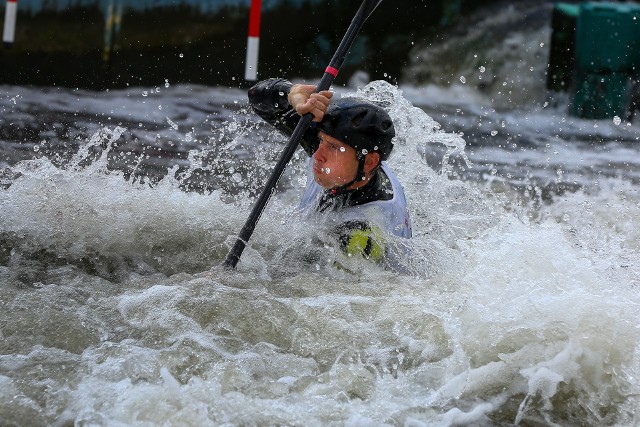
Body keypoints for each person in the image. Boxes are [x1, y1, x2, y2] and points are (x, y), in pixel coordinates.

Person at [248, 78, 412, 264]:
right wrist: (292, 94)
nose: (317, 155)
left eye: (333, 147)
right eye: (321, 141)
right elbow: (257, 97)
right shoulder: (350, 162)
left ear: (369, 162)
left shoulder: (360, 234)